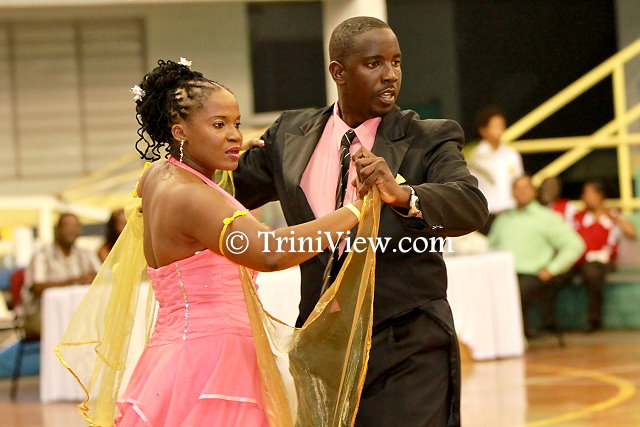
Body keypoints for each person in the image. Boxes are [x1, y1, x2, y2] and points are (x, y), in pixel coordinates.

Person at [60, 59, 384, 427]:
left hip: (174, 356)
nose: (233, 135)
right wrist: (356, 210)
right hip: (215, 361)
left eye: (236, 124)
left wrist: (222, 154)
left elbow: (202, 189)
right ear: (179, 132)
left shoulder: (159, 175)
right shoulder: (192, 197)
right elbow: (270, 253)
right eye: (218, 125)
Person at [233, 17, 488, 426]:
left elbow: (470, 205)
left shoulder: (429, 136)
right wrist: (212, 152)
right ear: (338, 71)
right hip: (321, 343)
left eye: (396, 62)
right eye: (374, 63)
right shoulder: (288, 135)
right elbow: (225, 192)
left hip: (407, 342)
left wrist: (402, 194)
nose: (390, 75)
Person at [488, 175, 584, 338]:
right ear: (512, 192)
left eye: (526, 187)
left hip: (533, 273)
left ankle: (521, 334)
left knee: (517, 291)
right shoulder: (504, 218)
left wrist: (552, 269)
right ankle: (494, 338)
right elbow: (490, 246)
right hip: (502, 273)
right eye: (517, 188)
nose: (522, 192)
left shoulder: (547, 217)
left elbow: (575, 245)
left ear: (534, 191)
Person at [567, 181, 636, 331]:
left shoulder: (612, 215)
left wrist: (614, 216)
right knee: (557, 276)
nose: (584, 197)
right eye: (584, 194)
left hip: (602, 262)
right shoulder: (579, 217)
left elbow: (631, 232)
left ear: (599, 196)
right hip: (578, 260)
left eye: (588, 193)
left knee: (591, 272)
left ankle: (594, 320)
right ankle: (549, 323)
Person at [22, 213, 100, 339]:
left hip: (78, 311)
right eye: (67, 226)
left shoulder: (86, 254)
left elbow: (102, 276)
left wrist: (94, 278)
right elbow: (38, 287)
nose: (72, 230)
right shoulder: (42, 255)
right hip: (41, 313)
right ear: (57, 229)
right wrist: (76, 281)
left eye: (76, 227)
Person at [467, 107, 523, 234]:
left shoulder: (512, 154)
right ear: (483, 130)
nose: (500, 129)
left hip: (510, 211)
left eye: (502, 125)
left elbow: (518, 182)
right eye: (495, 126)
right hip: (488, 212)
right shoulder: (475, 157)